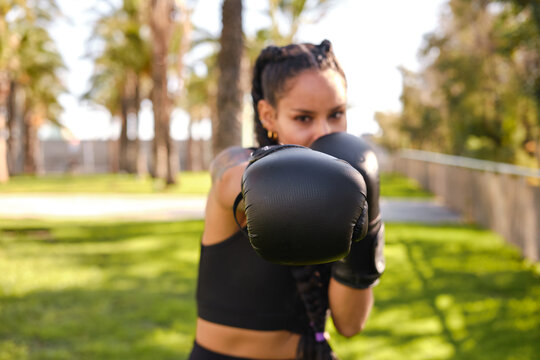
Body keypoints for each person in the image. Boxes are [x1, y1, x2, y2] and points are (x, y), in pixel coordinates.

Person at [188, 39, 384, 360]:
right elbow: (228, 178)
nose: (324, 132)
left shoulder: (345, 190)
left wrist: (370, 216)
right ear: (268, 115)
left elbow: (350, 324)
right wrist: (280, 183)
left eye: (336, 114)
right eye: (304, 118)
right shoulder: (239, 169)